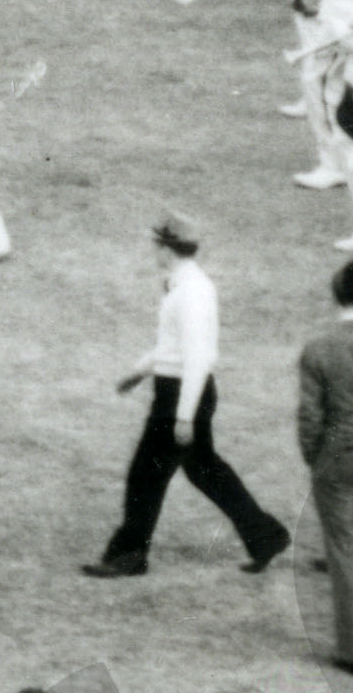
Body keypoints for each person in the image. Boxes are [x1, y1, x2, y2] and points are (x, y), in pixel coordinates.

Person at [89, 216, 290, 576]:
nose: (153, 250)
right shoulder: (185, 284)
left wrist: (184, 415)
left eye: (156, 245)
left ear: (167, 249)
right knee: (204, 469)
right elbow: (174, 346)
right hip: (181, 388)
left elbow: (196, 355)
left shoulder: (191, 291)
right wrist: (139, 372)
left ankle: (130, 555)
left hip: (182, 394)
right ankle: (265, 535)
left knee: (145, 476)